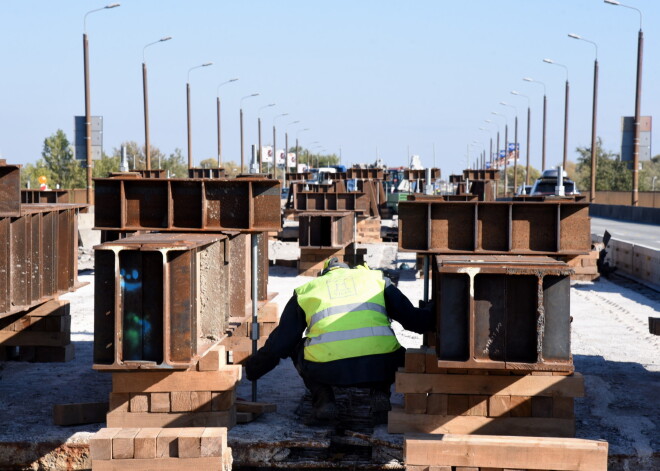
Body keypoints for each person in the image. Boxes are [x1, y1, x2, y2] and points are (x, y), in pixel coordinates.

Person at [245, 257, 434, 423]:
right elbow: (413, 321)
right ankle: (380, 393)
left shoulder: (307, 290)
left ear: (324, 274)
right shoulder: (375, 280)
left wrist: (254, 369)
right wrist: (436, 307)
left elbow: (281, 343)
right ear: (349, 270)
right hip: (381, 366)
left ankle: (324, 400)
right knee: (387, 344)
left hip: (327, 371)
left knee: (295, 345)